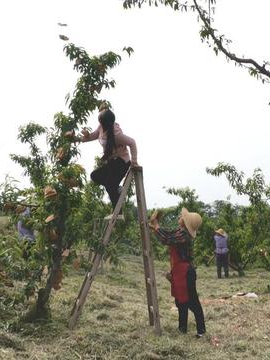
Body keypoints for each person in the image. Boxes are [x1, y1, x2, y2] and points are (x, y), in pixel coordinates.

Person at [149, 208, 206, 338]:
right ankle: (182, 329)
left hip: (186, 273)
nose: (180, 217)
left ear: (185, 223)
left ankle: (201, 331)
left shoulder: (183, 235)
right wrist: (155, 228)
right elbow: (168, 234)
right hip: (181, 271)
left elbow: (166, 239)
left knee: (192, 302)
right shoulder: (181, 232)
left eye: (182, 217)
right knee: (181, 302)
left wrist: (156, 225)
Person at [80, 105, 138, 209]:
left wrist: (134, 162)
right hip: (112, 162)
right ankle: (116, 189)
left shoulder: (117, 134)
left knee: (110, 185)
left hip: (122, 162)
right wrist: (78, 138)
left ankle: (118, 211)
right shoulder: (101, 128)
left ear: (103, 122)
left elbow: (132, 142)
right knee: (95, 176)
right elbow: (93, 135)